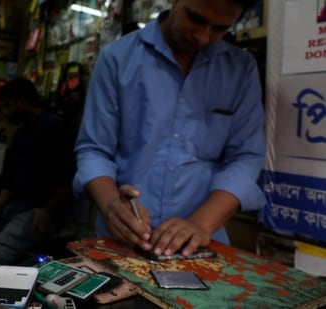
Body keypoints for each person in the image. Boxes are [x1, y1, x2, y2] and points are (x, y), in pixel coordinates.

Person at [73, 0, 265, 259]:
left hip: (200, 247)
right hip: (120, 241)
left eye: (220, 28)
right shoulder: (117, 60)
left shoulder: (240, 70)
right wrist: (110, 206)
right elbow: (94, 149)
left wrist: (201, 223)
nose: (203, 37)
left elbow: (245, 157)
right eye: (195, 19)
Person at [0, 77, 75, 271]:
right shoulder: (21, 133)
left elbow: (67, 179)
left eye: (7, 106)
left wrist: (48, 212)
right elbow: (10, 181)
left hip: (35, 211)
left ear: (22, 102)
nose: (5, 112)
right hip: (11, 207)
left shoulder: (55, 127)